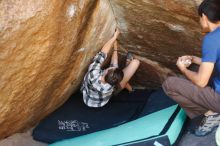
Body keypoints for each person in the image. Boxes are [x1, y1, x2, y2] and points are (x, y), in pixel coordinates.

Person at [162, 0, 220, 137]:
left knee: (169, 84)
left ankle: (210, 115)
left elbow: (201, 82)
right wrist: (194, 59)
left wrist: (183, 69)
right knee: (194, 67)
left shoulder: (212, 38)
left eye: (199, 18)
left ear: (204, 17)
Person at [81, 29, 140, 108]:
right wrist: (115, 48)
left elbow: (102, 54)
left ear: (105, 72)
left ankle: (127, 84)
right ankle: (129, 86)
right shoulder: (111, 86)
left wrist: (114, 37)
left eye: (109, 68)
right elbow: (114, 64)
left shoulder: (93, 74)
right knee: (136, 62)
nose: (110, 67)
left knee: (125, 81)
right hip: (103, 101)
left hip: (88, 99)